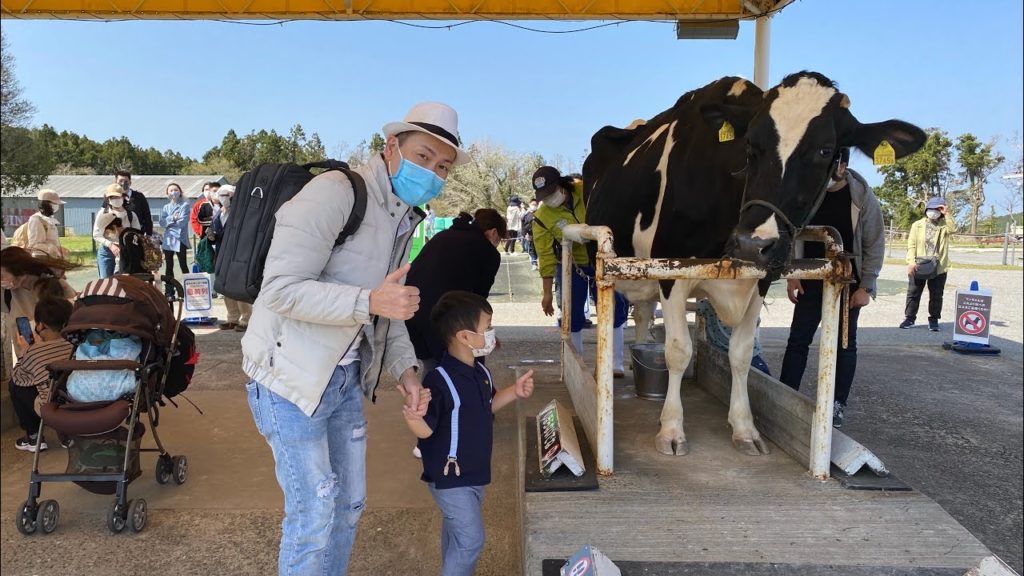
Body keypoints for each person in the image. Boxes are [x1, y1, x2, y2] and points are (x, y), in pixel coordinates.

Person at [241, 101, 469, 575]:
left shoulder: (404, 218)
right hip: (288, 381)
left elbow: (391, 307)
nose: (432, 172)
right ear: (391, 148)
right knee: (313, 514)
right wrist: (367, 302)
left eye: (442, 166)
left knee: (348, 507)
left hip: (342, 379)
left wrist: (405, 370)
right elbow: (280, 290)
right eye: (423, 157)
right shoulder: (336, 193)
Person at [403, 290, 534, 576]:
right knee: (471, 540)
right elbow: (426, 430)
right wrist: (414, 418)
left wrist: (515, 392)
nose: (491, 334)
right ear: (464, 337)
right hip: (450, 477)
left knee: (457, 534)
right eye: (486, 328)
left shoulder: (480, 373)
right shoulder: (439, 380)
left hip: (473, 473)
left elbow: (487, 406)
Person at [780, 148, 884, 429]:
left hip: (847, 282)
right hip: (810, 279)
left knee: (844, 346)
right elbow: (792, 232)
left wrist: (867, 287)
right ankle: (784, 395)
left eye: (829, 164)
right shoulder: (809, 191)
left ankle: (837, 404)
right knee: (798, 341)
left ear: (843, 165)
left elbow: (875, 242)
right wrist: (793, 274)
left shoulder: (861, 195)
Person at [531, 166, 628, 377]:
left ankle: (615, 362)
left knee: (614, 306)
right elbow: (545, 256)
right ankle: (577, 366)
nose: (548, 199)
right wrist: (547, 292)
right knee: (572, 312)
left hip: (605, 258)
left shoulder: (588, 190)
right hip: (572, 265)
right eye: (543, 196)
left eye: (551, 192)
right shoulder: (542, 217)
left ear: (561, 185)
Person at [406, 209, 506, 371]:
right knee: (466, 368)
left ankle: (434, 394)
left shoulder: (443, 236)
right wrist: (484, 332)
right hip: (445, 317)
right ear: (494, 233)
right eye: (500, 239)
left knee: (434, 367)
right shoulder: (486, 251)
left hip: (411, 308)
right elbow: (478, 304)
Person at [9, 297, 74, 452]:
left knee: (15, 385)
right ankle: (68, 434)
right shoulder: (75, 343)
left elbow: (18, 377)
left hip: (52, 408)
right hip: (78, 401)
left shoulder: (34, 351)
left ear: (41, 325)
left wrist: (26, 350)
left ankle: (33, 436)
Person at [1, 247, 77, 372]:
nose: (1, 281)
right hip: (28, 367)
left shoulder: (58, 286)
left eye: (2, 276)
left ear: (21, 272)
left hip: (58, 367)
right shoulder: (7, 292)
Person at [900, 196, 957, 331]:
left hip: (938, 265)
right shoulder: (917, 225)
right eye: (931, 208)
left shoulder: (944, 226)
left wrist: (947, 213)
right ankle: (909, 318)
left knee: (936, 294)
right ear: (926, 210)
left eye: (937, 209)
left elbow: (953, 229)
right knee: (913, 292)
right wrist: (911, 262)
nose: (933, 211)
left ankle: (934, 320)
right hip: (919, 263)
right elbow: (911, 245)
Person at [208, 185, 250, 331]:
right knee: (225, 287)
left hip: (238, 253)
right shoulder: (218, 213)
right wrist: (211, 236)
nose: (224, 198)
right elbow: (215, 233)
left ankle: (246, 319)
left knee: (239, 286)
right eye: (221, 195)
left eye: (227, 195)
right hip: (221, 253)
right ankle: (232, 318)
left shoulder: (242, 213)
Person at [694, 300, 770, 375]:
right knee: (763, 377)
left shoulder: (707, 305)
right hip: (747, 353)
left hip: (744, 354)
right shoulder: (741, 303)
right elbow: (756, 323)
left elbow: (687, 306)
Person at [93, 184, 142, 278]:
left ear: (123, 197)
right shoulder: (103, 214)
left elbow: (137, 234)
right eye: (112, 197)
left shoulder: (131, 215)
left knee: (122, 282)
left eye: (118, 196)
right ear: (108, 199)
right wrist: (110, 245)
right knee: (105, 282)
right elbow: (96, 235)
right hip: (106, 251)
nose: (116, 199)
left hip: (125, 252)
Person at [160, 182, 191, 298]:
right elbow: (162, 223)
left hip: (180, 238)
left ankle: (188, 290)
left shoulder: (185, 205)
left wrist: (169, 223)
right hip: (168, 240)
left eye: (176, 190)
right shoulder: (166, 207)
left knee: (183, 265)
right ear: (167, 193)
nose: (173, 192)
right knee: (169, 266)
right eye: (171, 190)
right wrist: (173, 218)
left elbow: (182, 223)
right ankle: (169, 292)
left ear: (180, 191)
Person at [24, 189, 65, 258]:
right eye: (54, 204)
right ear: (45, 204)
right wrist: (53, 248)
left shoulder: (50, 220)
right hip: (41, 257)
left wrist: (58, 250)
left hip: (52, 257)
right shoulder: (36, 219)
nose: (56, 206)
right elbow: (34, 244)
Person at [114, 170, 153, 235]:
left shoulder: (139, 196)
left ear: (130, 182)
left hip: (137, 233)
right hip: (117, 234)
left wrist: (149, 234)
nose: (123, 183)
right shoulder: (111, 197)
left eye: (126, 181)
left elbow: (147, 217)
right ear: (116, 182)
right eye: (120, 181)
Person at [521, 198, 539, 270]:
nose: (534, 206)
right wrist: (524, 234)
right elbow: (523, 225)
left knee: (539, 249)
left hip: (539, 235)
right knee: (532, 249)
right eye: (533, 204)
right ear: (529, 205)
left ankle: (539, 263)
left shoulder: (539, 213)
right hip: (530, 235)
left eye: (535, 204)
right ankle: (534, 263)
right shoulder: (526, 214)